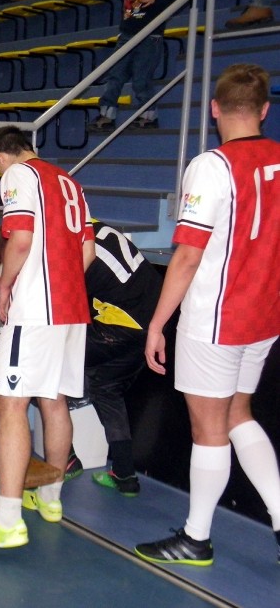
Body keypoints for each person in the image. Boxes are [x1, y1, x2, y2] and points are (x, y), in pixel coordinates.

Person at [136, 63, 280, 566]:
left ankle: (195, 537)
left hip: (217, 319)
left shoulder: (210, 166)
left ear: (215, 109)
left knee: (210, 429)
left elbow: (189, 255)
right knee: (239, 413)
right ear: (264, 110)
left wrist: (157, 322)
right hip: (264, 317)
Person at [0, 126, 95, 552]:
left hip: (36, 309)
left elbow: (20, 239)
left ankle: (8, 518)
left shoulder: (19, 176)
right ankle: (50, 498)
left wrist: (6, 287)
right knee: (53, 400)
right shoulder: (69, 181)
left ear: (1, 157)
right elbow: (87, 251)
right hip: (71, 308)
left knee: (10, 404)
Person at [80, 220, 163, 495]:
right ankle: (125, 474)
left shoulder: (76, 249)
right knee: (106, 389)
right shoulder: (94, 226)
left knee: (41, 364)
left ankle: (65, 460)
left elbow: (66, 306)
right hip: (150, 321)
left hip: (122, 325)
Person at [87, 0, 180, 132]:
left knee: (141, 77)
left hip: (149, 33)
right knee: (115, 74)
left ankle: (148, 115)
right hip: (127, 32)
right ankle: (107, 114)